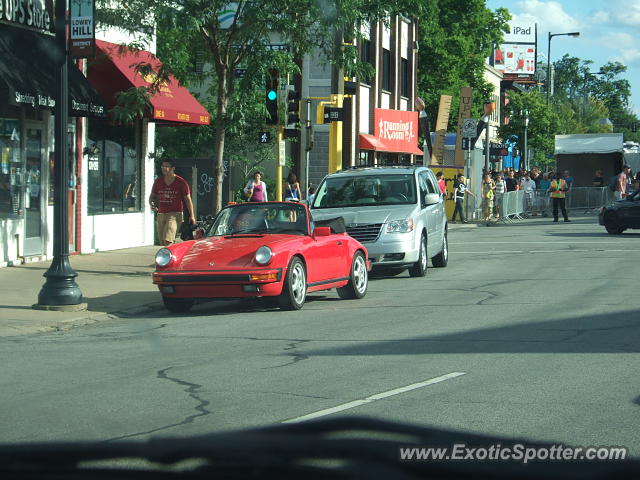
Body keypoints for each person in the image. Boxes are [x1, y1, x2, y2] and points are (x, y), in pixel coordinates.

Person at [149, 159, 196, 246]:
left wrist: (192, 215)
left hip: (175, 214)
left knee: (168, 240)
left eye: (166, 166)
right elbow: (152, 196)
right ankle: (170, 257)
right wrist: (151, 203)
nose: (164, 168)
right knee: (162, 242)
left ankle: (169, 256)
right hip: (161, 214)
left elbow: (188, 199)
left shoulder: (181, 182)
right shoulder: (158, 181)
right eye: (162, 166)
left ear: (173, 168)